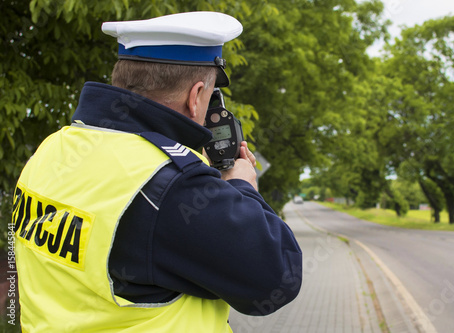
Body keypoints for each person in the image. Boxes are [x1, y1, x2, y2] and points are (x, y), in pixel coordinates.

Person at [12, 11, 302, 332]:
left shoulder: (54, 148)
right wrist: (242, 186)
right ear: (195, 98)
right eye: (209, 98)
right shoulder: (172, 184)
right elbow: (278, 277)